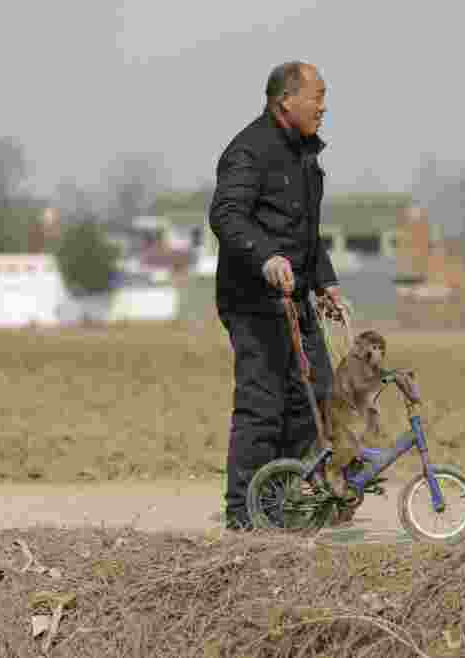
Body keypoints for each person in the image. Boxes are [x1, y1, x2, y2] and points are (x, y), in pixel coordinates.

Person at [208, 61, 346, 531]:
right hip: (252, 302)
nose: (324, 107)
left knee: (313, 399)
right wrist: (265, 257)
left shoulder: (304, 156)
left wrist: (324, 279)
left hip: (296, 300)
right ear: (286, 100)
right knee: (263, 406)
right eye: (318, 96)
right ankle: (243, 520)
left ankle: (280, 505)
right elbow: (227, 215)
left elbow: (305, 233)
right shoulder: (248, 152)